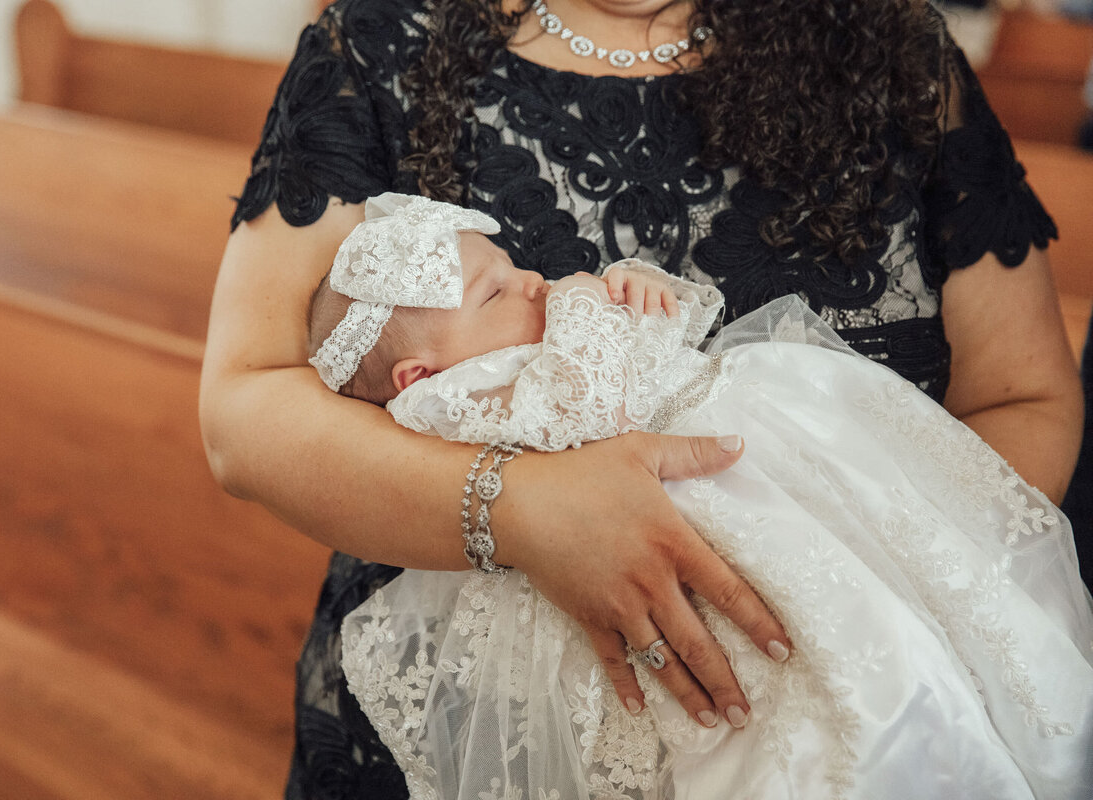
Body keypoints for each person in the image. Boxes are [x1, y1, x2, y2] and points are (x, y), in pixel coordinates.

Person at [197, 1, 1084, 796]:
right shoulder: (383, 44)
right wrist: (521, 508)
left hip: (872, 703)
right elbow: (248, 406)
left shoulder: (894, 48)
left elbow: (1022, 397)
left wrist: (867, 576)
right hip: (475, 731)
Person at [306, 191, 1093, 799]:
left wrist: (638, 292)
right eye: (496, 292)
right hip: (678, 522)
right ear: (419, 377)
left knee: (881, 619)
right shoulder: (457, 399)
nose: (535, 283)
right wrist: (587, 298)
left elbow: (654, 344)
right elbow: (587, 408)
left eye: (516, 271)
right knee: (794, 675)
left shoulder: (499, 348)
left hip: (753, 472)